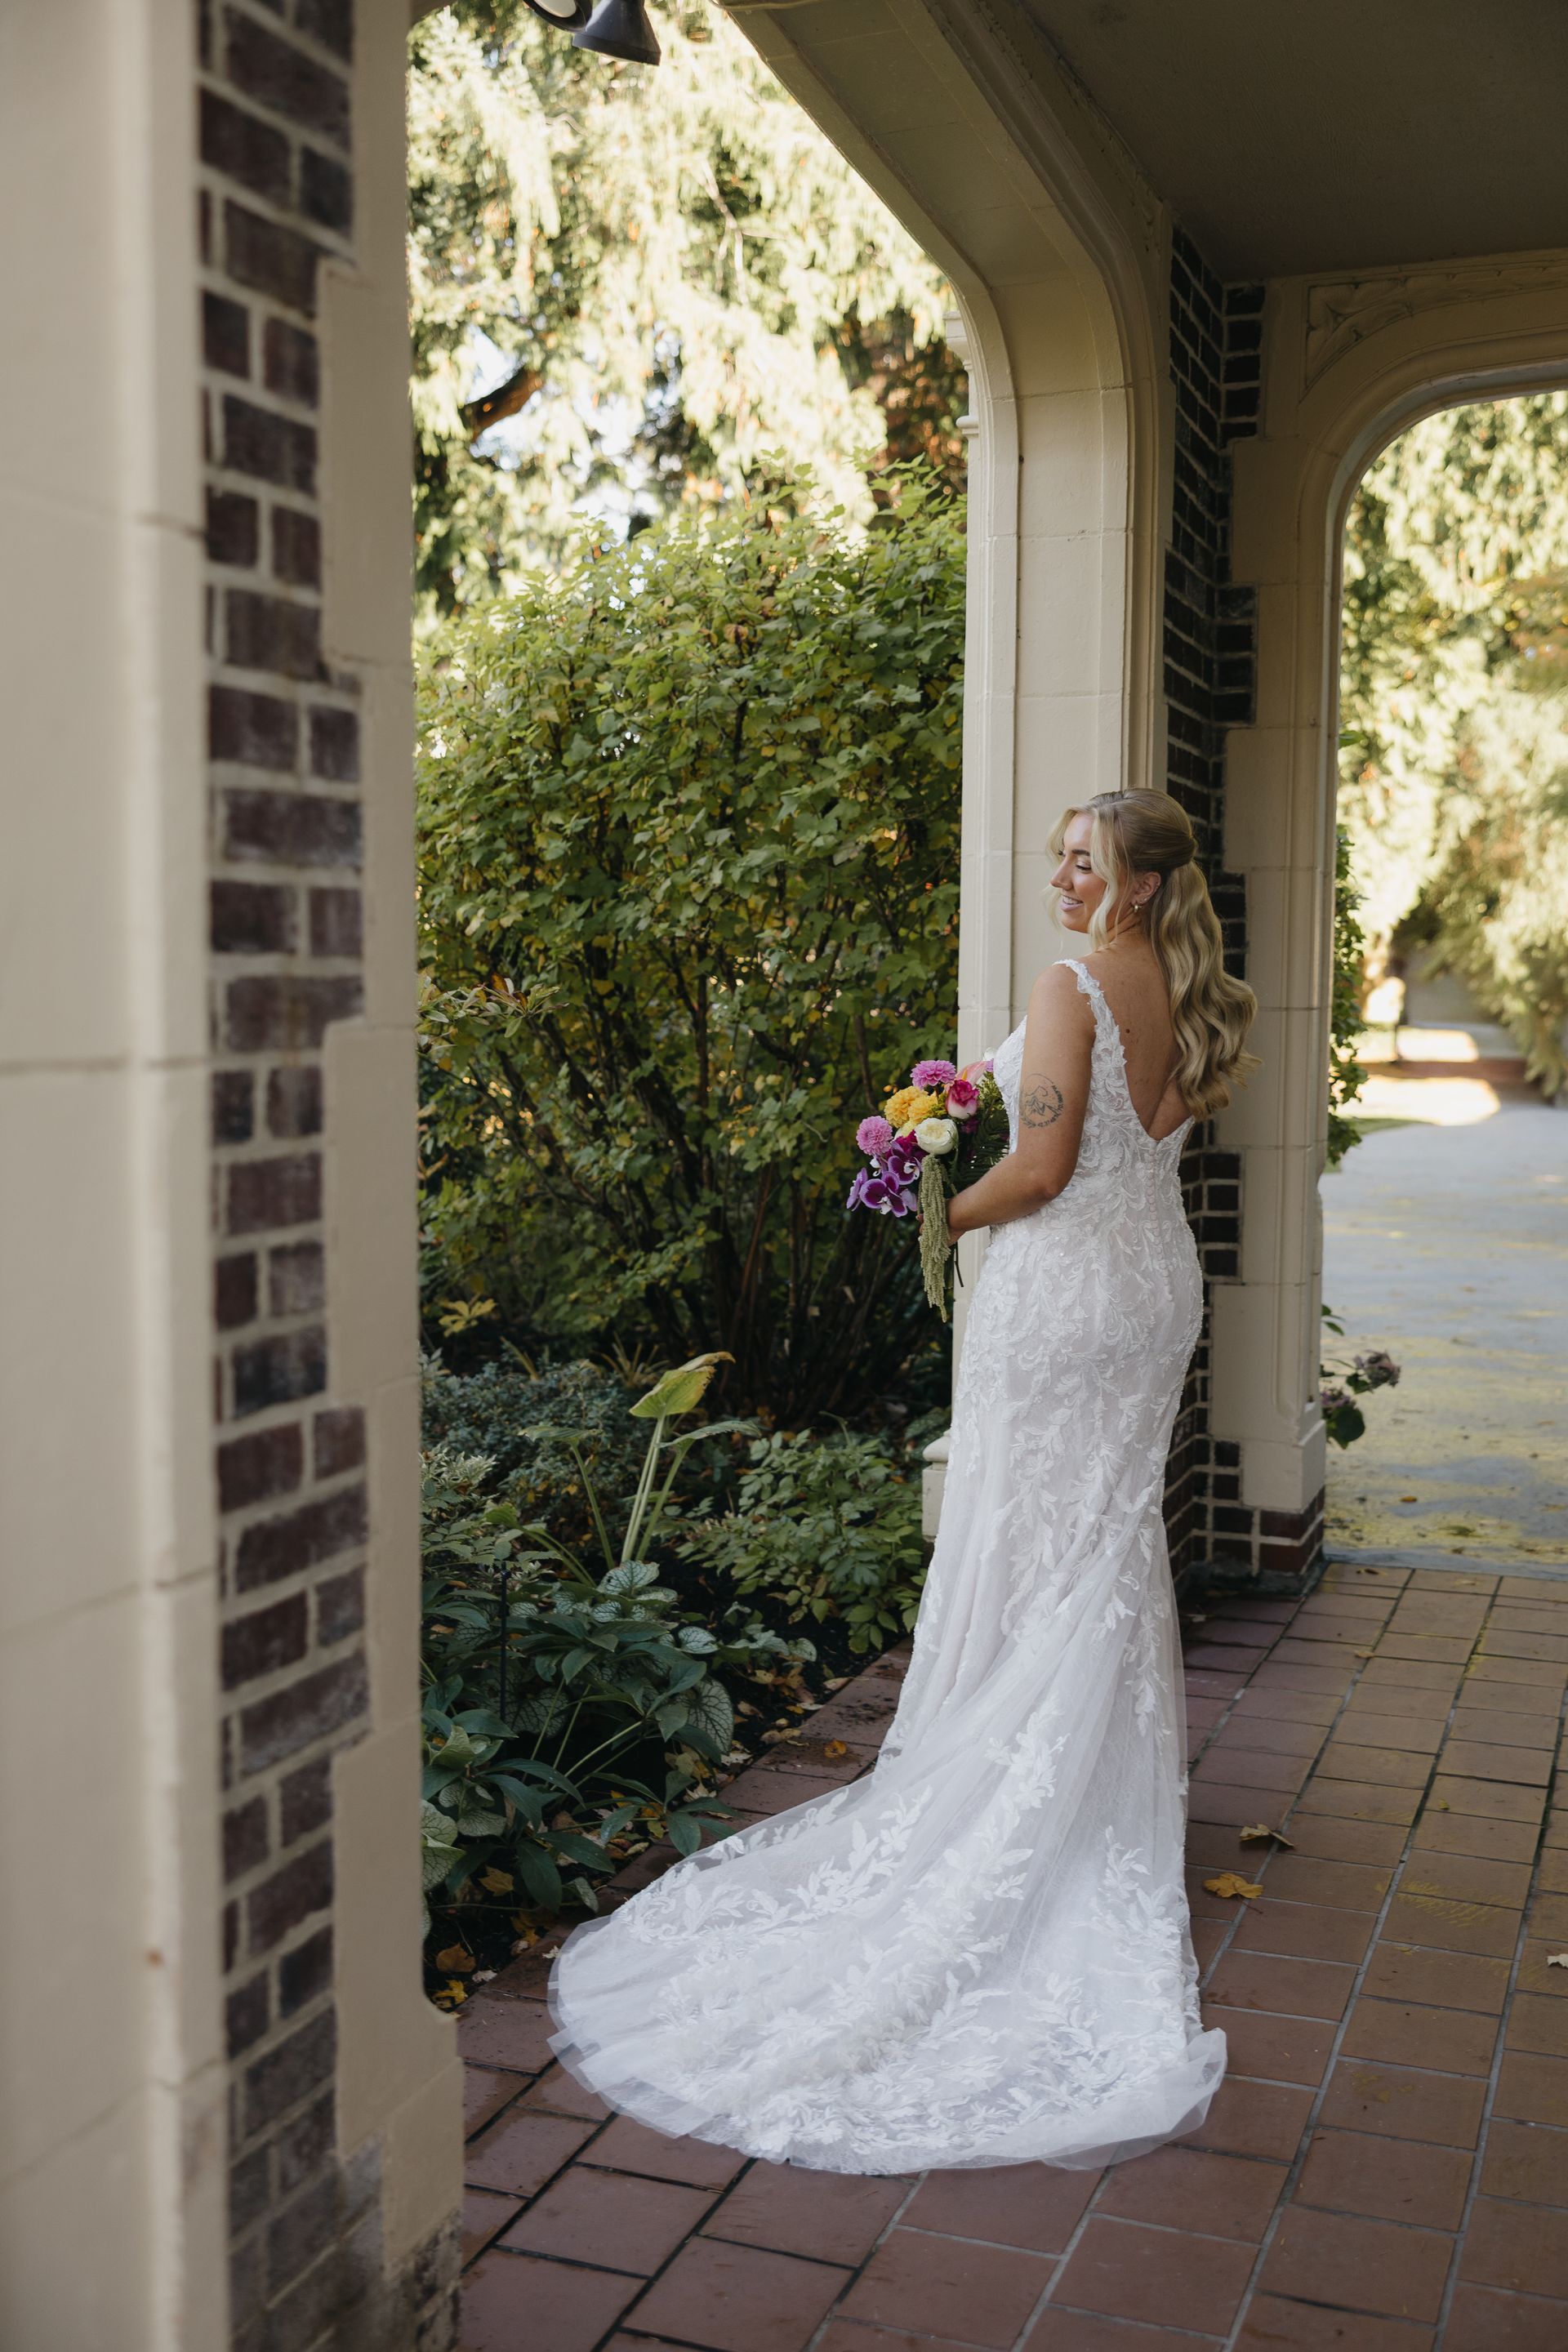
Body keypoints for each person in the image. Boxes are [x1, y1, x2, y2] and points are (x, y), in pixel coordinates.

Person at [547, 788, 1258, 2174]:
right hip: (1155, 1287)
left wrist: (937, 1201)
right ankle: (1090, 1793)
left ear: (1142, 881)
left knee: (1027, 1537)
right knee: (1102, 1545)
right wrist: (954, 1130)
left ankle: (1013, 1803)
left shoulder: (1071, 987)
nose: (1062, 876)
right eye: (1059, 856)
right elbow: (1144, 1138)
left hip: (1061, 1303)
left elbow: (1043, 1169)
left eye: (1086, 861)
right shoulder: (1196, 989)